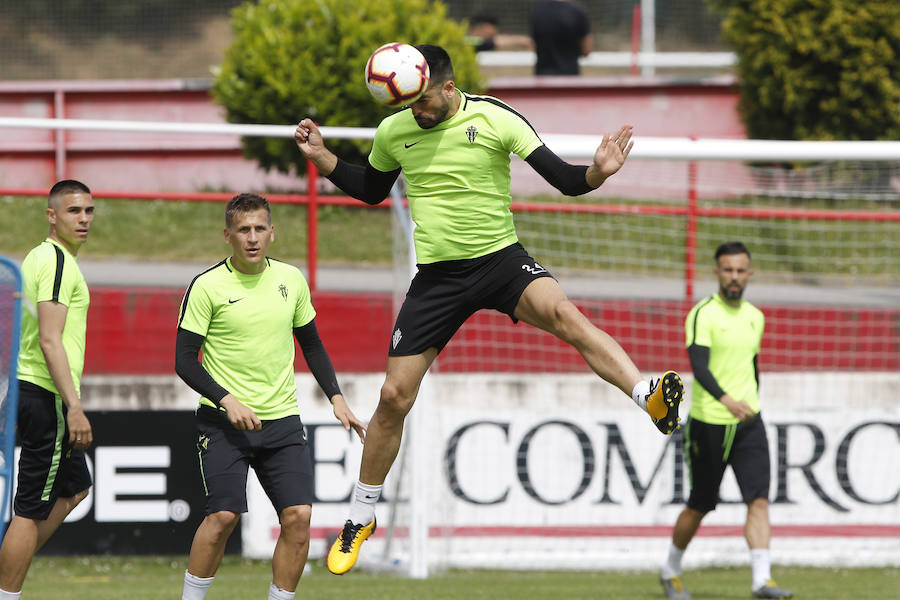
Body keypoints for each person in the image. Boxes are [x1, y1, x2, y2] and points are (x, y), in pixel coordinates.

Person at [294, 44, 684, 576]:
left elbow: (566, 180)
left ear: (448, 88)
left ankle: (649, 397)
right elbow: (370, 189)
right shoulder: (394, 131)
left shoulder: (495, 116)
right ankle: (361, 516)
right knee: (392, 396)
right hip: (438, 279)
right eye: (408, 104)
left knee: (567, 315)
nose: (417, 112)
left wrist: (597, 173)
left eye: (424, 102)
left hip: (501, 261)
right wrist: (322, 158)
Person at [175, 193, 366, 600]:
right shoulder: (207, 285)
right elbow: (184, 361)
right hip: (223, 424)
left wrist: (336, 397)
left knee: (299, 516)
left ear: (272, 233)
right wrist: (227, 400)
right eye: (243, 230)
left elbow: (311, 344)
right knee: (223, 516)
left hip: (282, 422)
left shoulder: (291, 280)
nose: (252, 237)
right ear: (228, 235)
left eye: (260, 228)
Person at [659, 242, 792, 600]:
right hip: (709, 423)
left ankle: (762, 581)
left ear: (750, 273)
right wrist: (726, 400)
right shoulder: (703, 314)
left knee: (759, 500)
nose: (734, 277)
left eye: (740, 270)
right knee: (700, 503)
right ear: (717, 272)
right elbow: (699, 366)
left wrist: (750, 402)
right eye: (728, 270)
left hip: (750, 423)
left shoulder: (755, 316)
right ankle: (670, 570)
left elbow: (752, 366)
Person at [0, 180, 95, 599]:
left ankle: (8, 564)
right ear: (52, 215)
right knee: (30, 507)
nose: (85, 219)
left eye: (89, 211)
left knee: (76, 487)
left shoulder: (40, 257)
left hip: (30, 390)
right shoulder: (55, 262)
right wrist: (73, 405)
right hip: (47, 395)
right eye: (74, 211)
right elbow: (50, 339)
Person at [530, 0, 592, 75]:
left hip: (542, 78)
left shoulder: (537, 10)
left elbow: (534, 45)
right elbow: (586, 50)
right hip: (569, 77)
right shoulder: (578, 12)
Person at [465, 13, 533, 53]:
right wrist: (521, 40)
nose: (490, 38)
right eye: (489, 35)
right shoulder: (467, 40)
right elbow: (496, 42)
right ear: (479, 28)